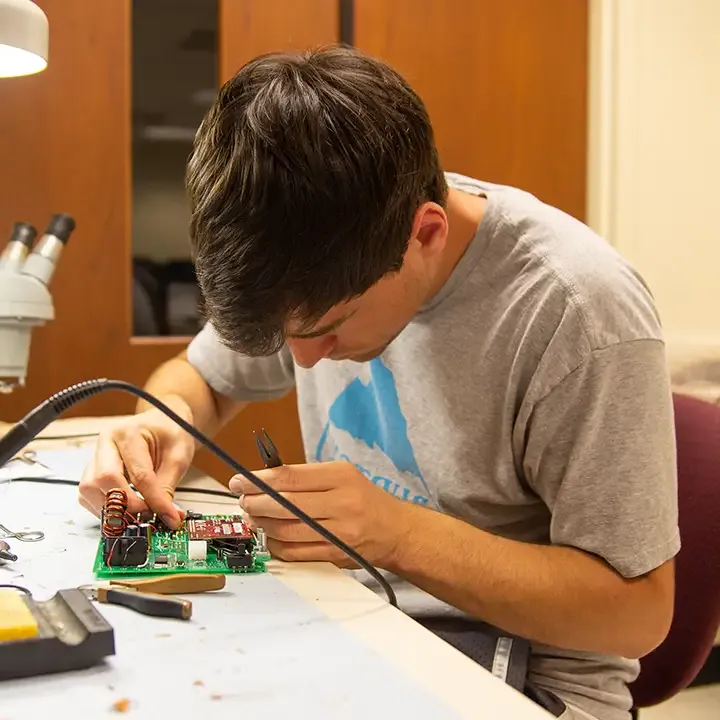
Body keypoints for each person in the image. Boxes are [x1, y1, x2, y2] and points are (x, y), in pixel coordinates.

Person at [79, 46, 679, 720]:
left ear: (426, 234)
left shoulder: (575, 311)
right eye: (286, 338)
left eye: (332, 327)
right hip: (349, 617)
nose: (305, 362)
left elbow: (639, 615)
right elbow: (200, 379)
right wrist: (162, 425)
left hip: (525, 685)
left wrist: (395, 534)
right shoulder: (313, 247)